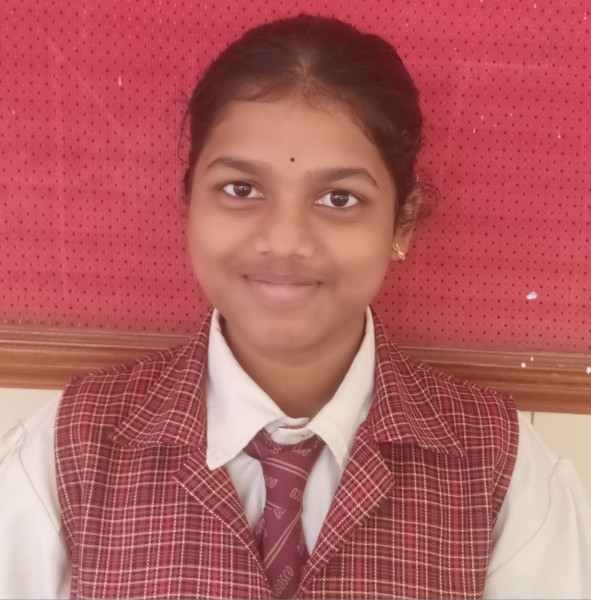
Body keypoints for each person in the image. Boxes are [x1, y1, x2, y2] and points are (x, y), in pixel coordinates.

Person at [1, 14, 590, 600]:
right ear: (189, 203)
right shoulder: (63, 457)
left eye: (339, 198)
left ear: (402, 222)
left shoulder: (501, 473)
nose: (284, 241)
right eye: (241, 189)